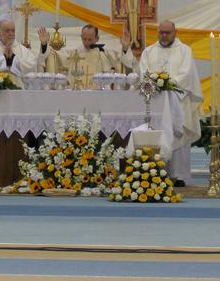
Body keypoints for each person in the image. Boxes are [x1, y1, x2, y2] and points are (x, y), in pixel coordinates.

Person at [136, 20, 203, 186]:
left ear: (175, 32)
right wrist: (155, 83)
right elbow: (144, 72)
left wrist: (167, 83)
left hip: (177, 101)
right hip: (156, 102)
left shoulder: (185, 51)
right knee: (157, 134)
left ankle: (179, 175)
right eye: (161, 32)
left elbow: (186, 74)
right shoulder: (149, 51)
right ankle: (157, 172)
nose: (164, 36)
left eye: (168, 32)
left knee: (178, 133)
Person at [37, 24, 130, 78]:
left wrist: (125, 48)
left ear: (97, 38)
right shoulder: (74, 52)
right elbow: (54, 55)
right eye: (84, 39)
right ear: (81, 37)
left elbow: (122, 62)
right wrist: (44, 44)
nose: (86, 42)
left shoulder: (105, 53)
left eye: (90, 39)